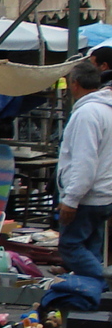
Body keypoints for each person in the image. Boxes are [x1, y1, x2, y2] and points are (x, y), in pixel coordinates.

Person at [55, 59, 112, 285]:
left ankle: (103, 283)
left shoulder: (87, 114)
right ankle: (93, 296)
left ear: (75, 84)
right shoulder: (105, 110)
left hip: (88, 195)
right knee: (91, 247)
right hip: (102, 193)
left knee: (70, 246)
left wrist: (71, 199)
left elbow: (84, 161)